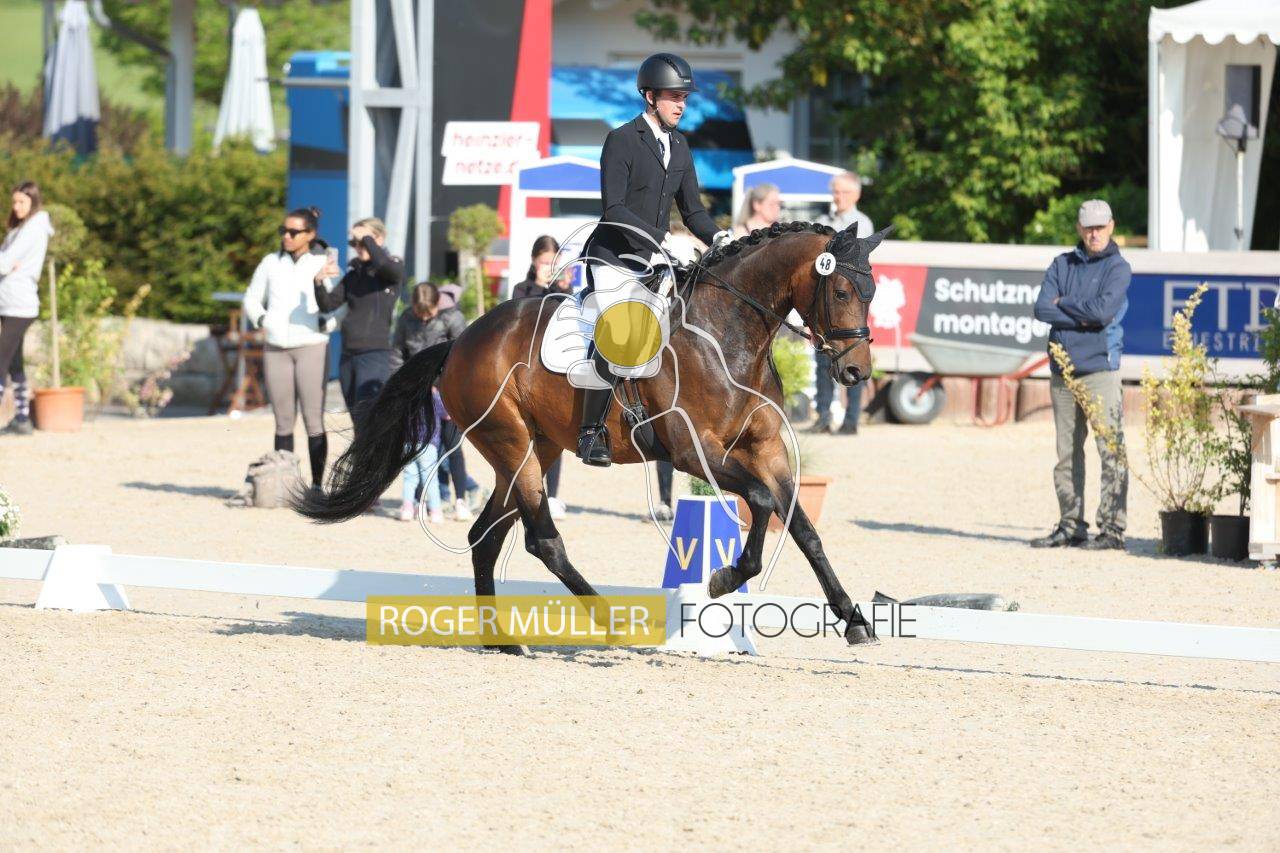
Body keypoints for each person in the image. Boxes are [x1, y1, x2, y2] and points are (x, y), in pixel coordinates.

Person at [575, 52, 731, 466]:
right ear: (650, 97)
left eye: (684, 98)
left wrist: (720, 236)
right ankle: (591, 432)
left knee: (685, 328)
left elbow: (693, 211)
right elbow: (614, 209)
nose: (681, 105)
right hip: (614, 258)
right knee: (620, 334)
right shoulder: (622, 140)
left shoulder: (679, 146)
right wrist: (663, 238)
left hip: (655, 261)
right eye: (674, 97)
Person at [1031, 199, 1130, 551]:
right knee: (1066, 454)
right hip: (1062, 370)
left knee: (1111, 451)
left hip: (1100, 368)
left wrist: (1064, 304)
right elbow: (1041, 309)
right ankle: (1071, 524)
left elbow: (1102, 313)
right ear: (1079, 228)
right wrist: (1081, 314)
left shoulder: (1118, 267)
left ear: (1111, 226)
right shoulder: (1062, 263)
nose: (1094, 233)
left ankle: (1112, 529)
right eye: (1088, 227)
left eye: (1100, 227)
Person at [242, 206, 332, 491]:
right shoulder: (270, 262)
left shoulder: (323, 263)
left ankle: (316, 487)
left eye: (294, 232)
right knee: (282, 420)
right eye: (284, 230)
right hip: (276, 347)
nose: (287, 236)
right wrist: (263, 320)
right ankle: (285, 484)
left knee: (313, 419)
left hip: (311, 346)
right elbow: (251, 298)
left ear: (310, 234)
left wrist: (327, 323)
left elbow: (339, 302)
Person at [390, 281, 479, 521]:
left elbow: (464, 357)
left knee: (452, 446)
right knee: (419, 447)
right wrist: (401, 386)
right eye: (419, 313)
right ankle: (420, 500)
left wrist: (446, 389)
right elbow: (397, 353)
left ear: (437, 304)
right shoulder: (406, 319)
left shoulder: (452, 318)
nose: (423, 318)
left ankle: (460, 499)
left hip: (447, 391)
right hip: (416, 393)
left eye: (428, 313)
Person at [314, 217, 404, 435]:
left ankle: (376, 457)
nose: (358, 246)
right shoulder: (354, 274)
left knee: (369, 418)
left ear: (379, 239)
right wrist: (318, 282)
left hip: (374, 354)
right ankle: (364, 457)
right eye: (354, 243)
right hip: (348, 355)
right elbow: (328, 304)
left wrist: (366, 238)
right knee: (357, 419)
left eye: (362, 241)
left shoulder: (392, 267)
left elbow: (386, 267)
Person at [510, 235, 571, 518]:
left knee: (553, 436)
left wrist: (560, 289)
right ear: (534, 261)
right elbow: (520, 319)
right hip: (524, 368)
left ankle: (554, 495)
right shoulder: (522, 289)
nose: (548, 267)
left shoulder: (563, 290)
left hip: (551, 370)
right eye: (544, 262)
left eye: (553, 262)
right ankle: (529, 493)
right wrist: (540, 286)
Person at [812, 172, 872, 434]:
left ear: (856, 195)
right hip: (826, 300)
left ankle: (851, 420)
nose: (838, 197)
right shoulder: (823, 221)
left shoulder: (863, 224)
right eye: (836, 191)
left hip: (849, 301)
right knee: (822, 358)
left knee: (853, 357)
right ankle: (823, 416)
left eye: (844, 192)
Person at [0, 181, 52, 436]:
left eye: (22, 202)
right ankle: (22, 419)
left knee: (1, 359)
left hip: (20, 305)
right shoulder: (19, 230)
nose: (16, 207)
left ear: (33, 202)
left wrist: (7, 263)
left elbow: (4, 263)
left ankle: (20, 418)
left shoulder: (33, 229)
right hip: (8, 301)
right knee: (14, 363)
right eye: (14, 202)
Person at [400, 388, 447, 524]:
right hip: (428, 444)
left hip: (408, 443)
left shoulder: (407, 397)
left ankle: (407, 509)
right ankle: (435, 511)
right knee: (430, 480)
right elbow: (446, 415)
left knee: (410, 478)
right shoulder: (433, 397)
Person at [511, 234, 572, 301]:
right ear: (533, 259)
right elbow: (528, 306)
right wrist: (539, 284)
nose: (550, 268)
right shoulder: (521, 289)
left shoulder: (561, 288)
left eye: (554, 264)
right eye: (546, 263)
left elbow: (570, 305)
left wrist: (566, 289)